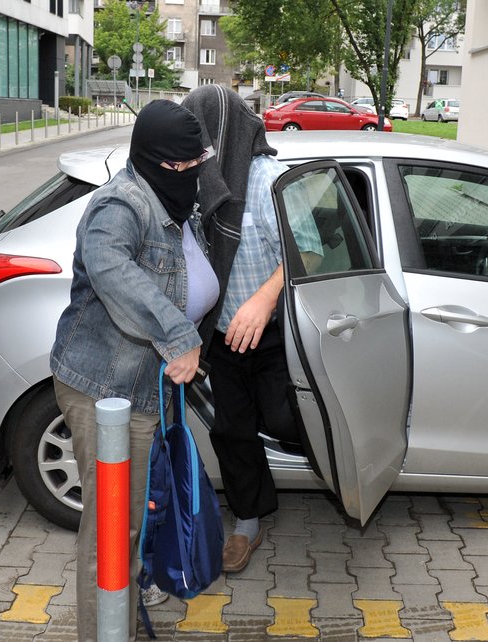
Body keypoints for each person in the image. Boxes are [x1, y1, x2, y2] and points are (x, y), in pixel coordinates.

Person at [50, 100, 219, 641]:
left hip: (152, 388)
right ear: (150, 159)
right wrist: (178, 336)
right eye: (180, 166)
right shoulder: (119, 206)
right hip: (109, 390)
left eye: (198, 162)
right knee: (110, 534)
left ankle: (121, 616)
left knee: (139, 521)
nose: (191, 174)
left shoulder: (172, 196)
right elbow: (112, 269)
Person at [182, 85, 321, 573]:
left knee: (285, 420)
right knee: (231, 430)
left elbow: (311, 251)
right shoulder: (194, 183)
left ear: (222, 134)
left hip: (276, 333)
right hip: (219, 335)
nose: (192, 150)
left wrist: (265, 298)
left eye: (198, 137)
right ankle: (248, 520)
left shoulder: (269, 182)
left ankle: (337, 472)